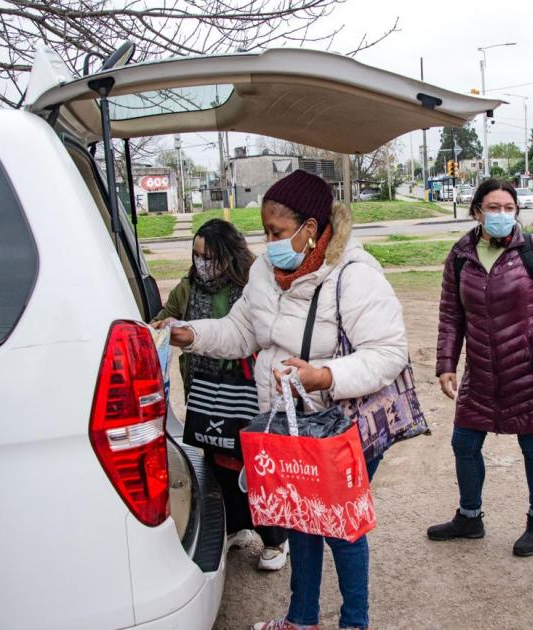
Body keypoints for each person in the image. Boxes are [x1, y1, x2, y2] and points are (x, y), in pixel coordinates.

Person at [160, 169, 408, 630]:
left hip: (339, 424)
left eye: (276, 232)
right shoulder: (264, 273)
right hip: (286, 424)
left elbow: (390, 352)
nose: (268, 240)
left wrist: (325, 375)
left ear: (310, 229)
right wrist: (189, 334)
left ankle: (355, 622)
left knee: (339, 526)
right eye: (265, 230)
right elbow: (241, 330)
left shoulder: (353, 275)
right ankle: (301, 618)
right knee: (299, 519)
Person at [428, 178, 533, 558]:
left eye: (509, 208)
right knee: (464, 443)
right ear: (477, 211)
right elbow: (451, 314)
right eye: (493, 208)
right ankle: (469, 517)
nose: (502, 215)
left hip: (528, 368)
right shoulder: (460, 255)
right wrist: (446, 364)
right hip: (482, 370)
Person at [152, 218, 289, 571]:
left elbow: (256, 333)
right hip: (205, 391)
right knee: (216, 460)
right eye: (197, 256)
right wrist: (162, 328)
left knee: (253, 463)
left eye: (209, 257)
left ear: (227, 255)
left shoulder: (253, 285)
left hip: (247, 392)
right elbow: (166, 318)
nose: (201, 264)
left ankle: (276, 538)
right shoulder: (188, 288)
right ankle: (237, 526)